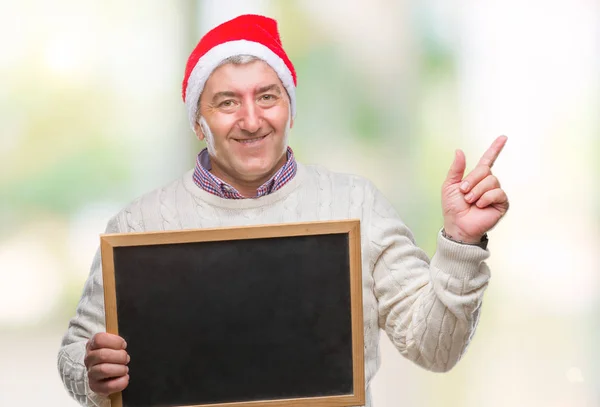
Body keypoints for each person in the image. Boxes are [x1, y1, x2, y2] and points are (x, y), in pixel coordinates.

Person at [57, 14, 509, 407]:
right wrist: (93, 373)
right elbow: (76, 352)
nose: (252, 120)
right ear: (198, 121)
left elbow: (436, 350)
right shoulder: (140, 224)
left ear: (290, 109)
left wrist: (461, 243)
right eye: (228, 102)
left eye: (267, 97)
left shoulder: (356, 205)